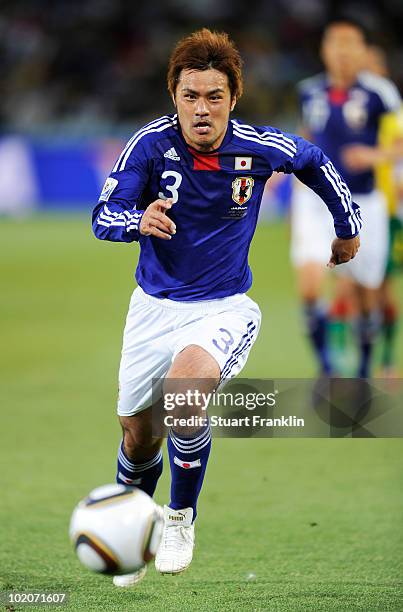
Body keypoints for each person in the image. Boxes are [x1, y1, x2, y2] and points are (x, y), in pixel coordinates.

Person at [92, 28, 360, 587]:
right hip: (152, 309)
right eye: (191, 96)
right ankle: (132, 529)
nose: (202, 109)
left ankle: (180, 517)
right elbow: (103, 214)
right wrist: (135, 222)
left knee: (185, 393)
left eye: (214, 97)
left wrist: (346, 230)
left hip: (222, 308)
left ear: (233, 99)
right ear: (175, 96)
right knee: (138, 437)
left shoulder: (257, 148)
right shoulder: (149, 146)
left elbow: (312, 161)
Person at [291, 18, 401, 378]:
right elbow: (305, 135)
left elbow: (399, 143)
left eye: (349, 44)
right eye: (334, 43)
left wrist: (373, 157)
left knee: (367, 292)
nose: (341, 51)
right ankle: (326, 368)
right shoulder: (309, 92)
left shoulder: (380, 93)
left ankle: (365, 368)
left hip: (364, 201)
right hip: (315, 201)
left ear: (361, 51)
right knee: (309, 286)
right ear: (324, 50)